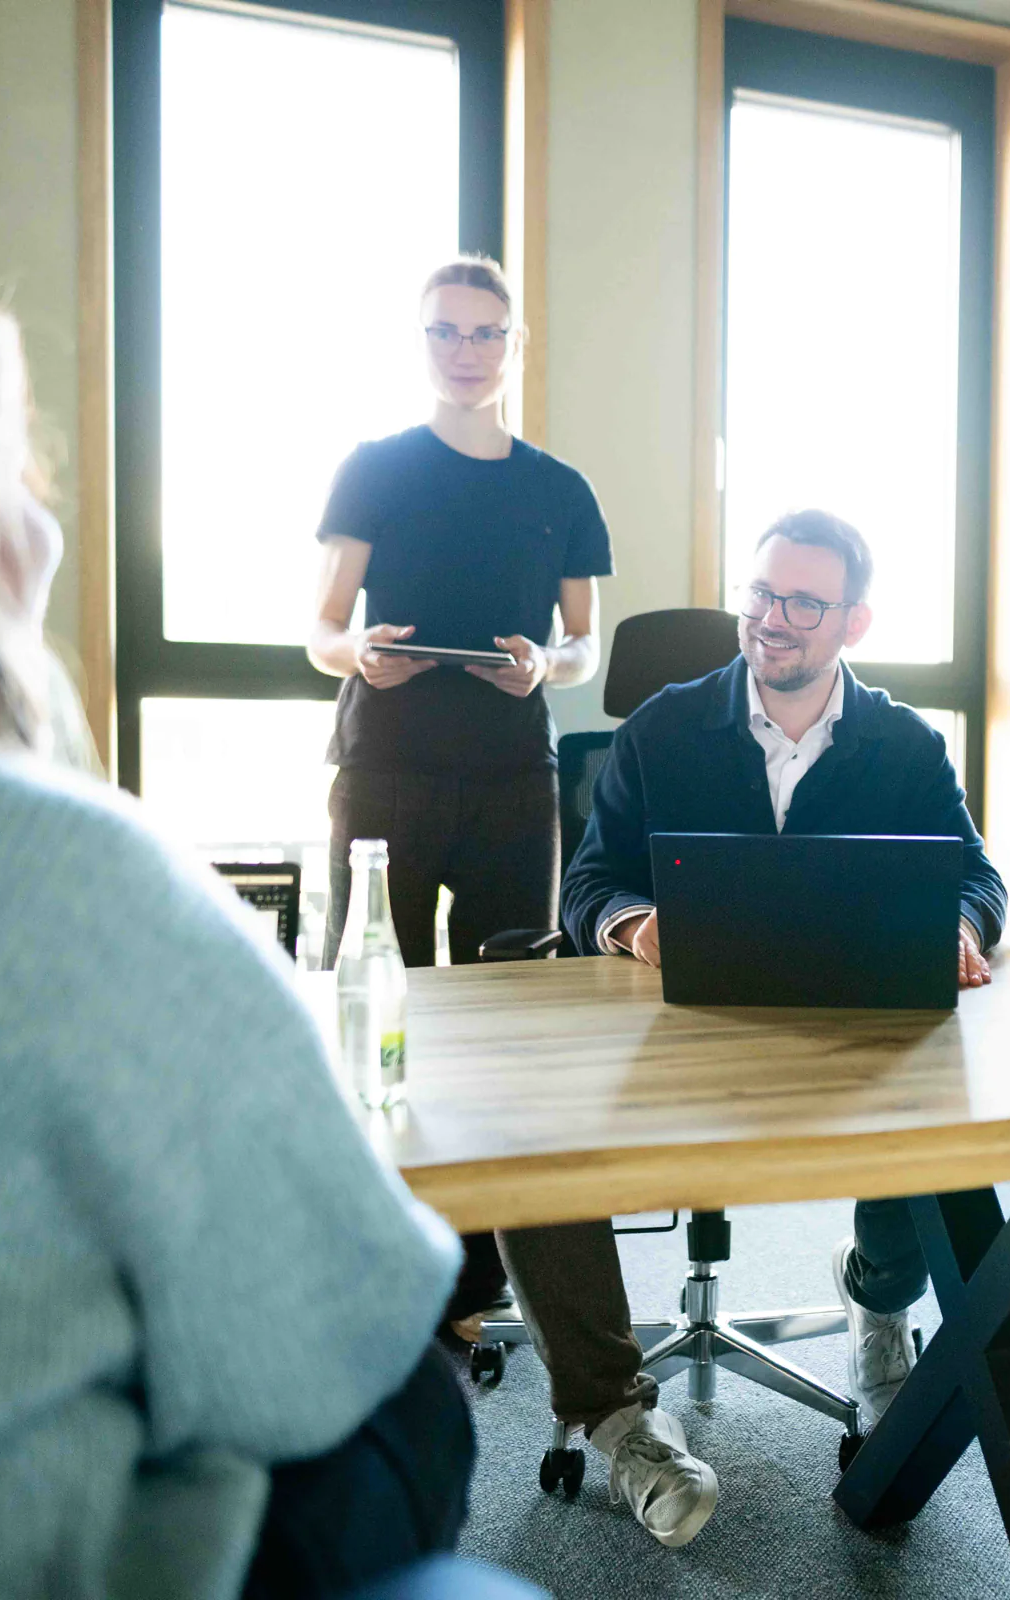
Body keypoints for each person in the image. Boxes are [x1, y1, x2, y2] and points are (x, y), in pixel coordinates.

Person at [0, 273, 471, 1598]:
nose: (47, 529)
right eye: (9, 474)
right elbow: (339, 1327)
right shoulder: (64, 874)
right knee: (418, 1408)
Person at [495, 508, 1005, 1549]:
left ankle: (878, 1299)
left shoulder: (905, 744)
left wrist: (959, 924)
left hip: (842, 1039)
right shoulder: (662, 728)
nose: (771, 620)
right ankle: (620, 1417)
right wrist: (634, 925)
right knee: (519, 1129)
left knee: (941, 1087)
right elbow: (586, 883)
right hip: (673, 1038)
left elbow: (976, 874)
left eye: (802, 603)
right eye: (760, 594)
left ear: (851, 621)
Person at [308, 252, 611, 1338]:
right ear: (421, 340)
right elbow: (321, 628)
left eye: (487, 333)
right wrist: (361, 654)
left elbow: (583, 648)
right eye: (447, 331)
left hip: (509, 774)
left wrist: (546, 666)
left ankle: (478, 1281)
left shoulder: (558, 488)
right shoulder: (374, 468)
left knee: (505, 1025)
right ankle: (369, 1252)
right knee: (376, 1009)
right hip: (385, 761)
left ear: (512, 343)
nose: (467, 351)